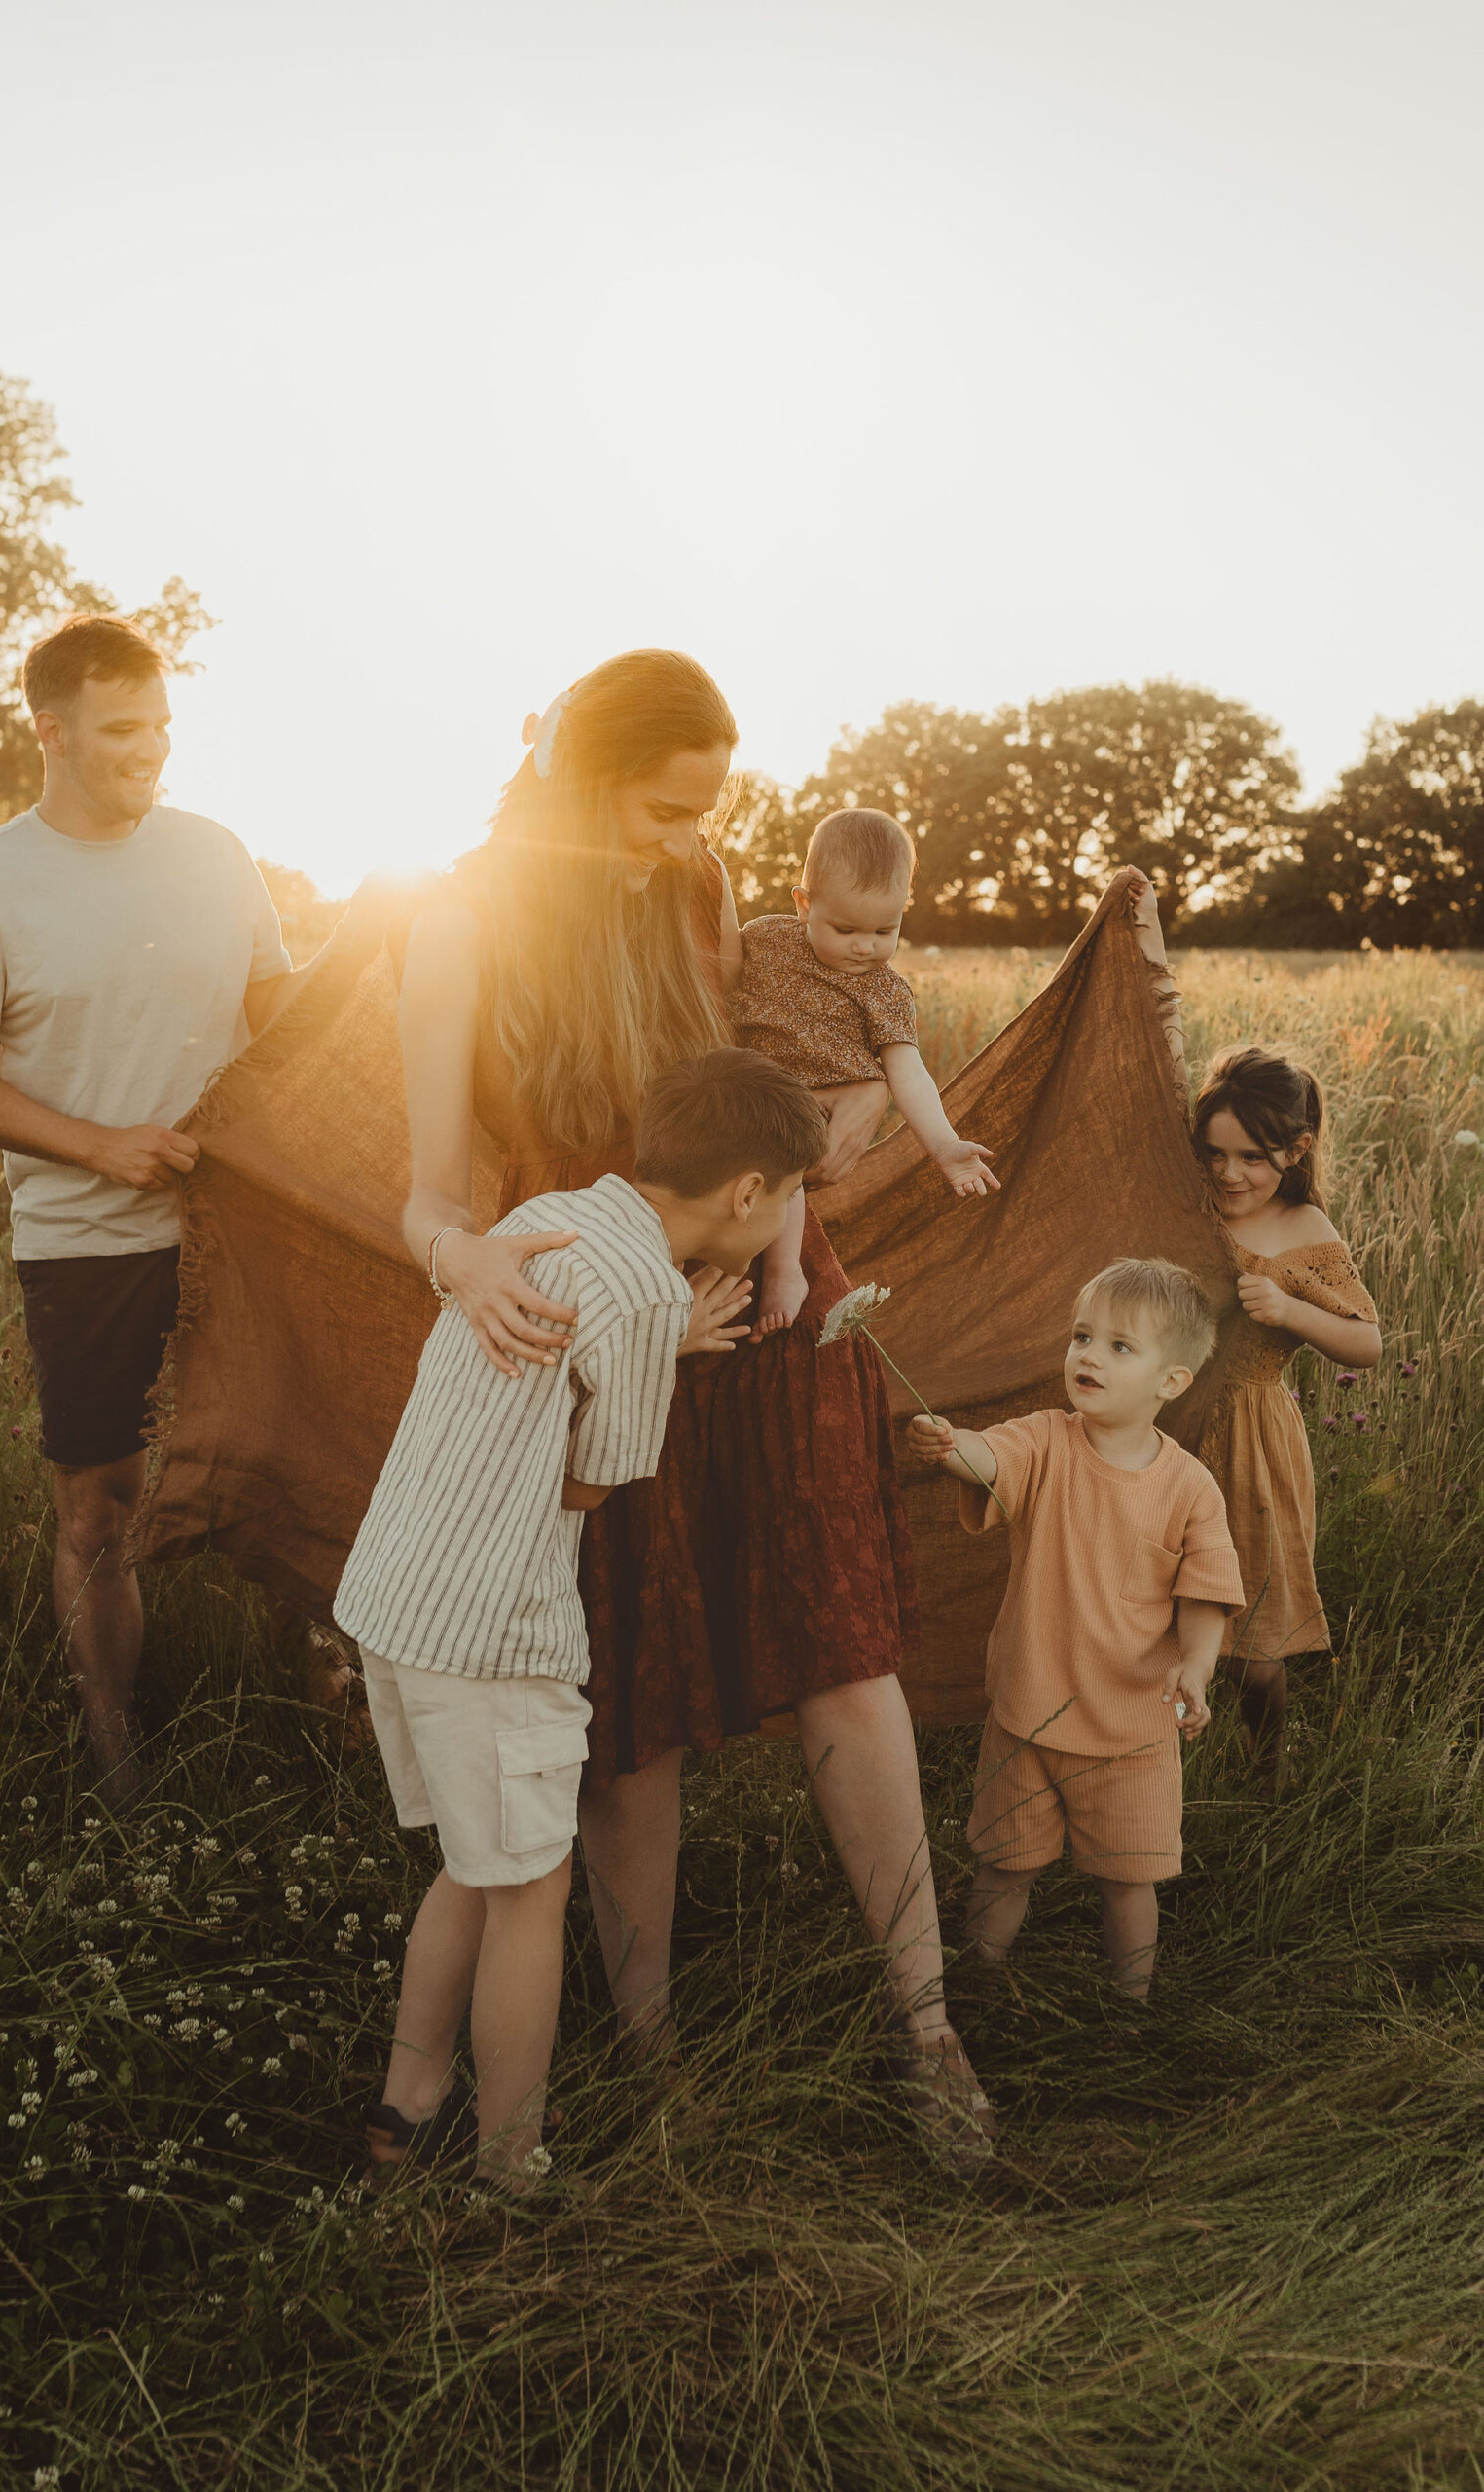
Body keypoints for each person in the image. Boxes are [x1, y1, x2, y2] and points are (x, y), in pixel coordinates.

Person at [394, 647, 995, 2164]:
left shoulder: (701, 886)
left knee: (840, 1632)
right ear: (583, 779)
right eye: (665, 812)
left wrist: (821, 1160)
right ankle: (654, 2049)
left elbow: (789, 1062)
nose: (689, 843)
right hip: (600, 1330)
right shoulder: (456, 921)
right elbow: (426, 1200)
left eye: (704, 813)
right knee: (629, 1687)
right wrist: (464, 1262)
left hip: (770, 1294)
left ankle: (924, 2023)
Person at [340, 1051, 824, 2192]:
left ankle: (406, 2113)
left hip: (398, 1589)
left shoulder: (551, 1217)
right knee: (531, 1891)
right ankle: (513, 2164)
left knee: (475, 1861)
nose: (795, 1214)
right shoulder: (653, 1297)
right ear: (748, 1195)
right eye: (797, 1193)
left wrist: (667, 1346)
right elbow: (591, 1488)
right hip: (494, 1625)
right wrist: (668, 1346)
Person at [0, 613, 305, 1801]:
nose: (154, 750)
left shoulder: (218, 854)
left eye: (164, 726)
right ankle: (117, 1749)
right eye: (127, 729)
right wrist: (102, 1147)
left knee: (283, 1464)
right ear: (53, 732)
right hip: (87, 1240)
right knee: (100, 1502)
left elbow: (281, 1027)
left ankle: (306, 1686)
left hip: (239, 1227)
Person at [910, 1259, 1244, 2000]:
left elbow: (1206, 1592)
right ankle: (976, 1989)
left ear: (1171, 1382)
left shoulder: (1189, 1487)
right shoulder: (1046, 1441)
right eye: (1082, 1336)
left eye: (1119, 1347)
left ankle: (1132, 2007)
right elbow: (993, 1456)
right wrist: (951, 1445)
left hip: (1131, 1730)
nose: (1088, 1355)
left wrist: (1196, 1664)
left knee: (1129, 1881)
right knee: (1004, 1865)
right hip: (1028, 1712)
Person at [726, 805, 998, 1334]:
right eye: (846, 927)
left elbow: (909, 1071)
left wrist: (944, 1147)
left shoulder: (884, 989)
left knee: (783, 1159)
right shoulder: (762, 938)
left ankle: (784, 1273)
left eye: (883, 930)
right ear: (804, 905)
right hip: (743, 1088)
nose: (864, 946)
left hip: (805, 1110)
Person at [1189, 1047, 1382, 1772]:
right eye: (1213, 1153)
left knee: (1249, 1632)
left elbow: (1365, 1342)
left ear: (1296, 1148)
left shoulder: (1305, 1230)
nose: (1228, 1173)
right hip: (1167, 1424)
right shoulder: (1187, 1201)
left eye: (1251, 1157)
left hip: (1249, 1439)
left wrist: (1290, 1309)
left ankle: (1265, 1759)